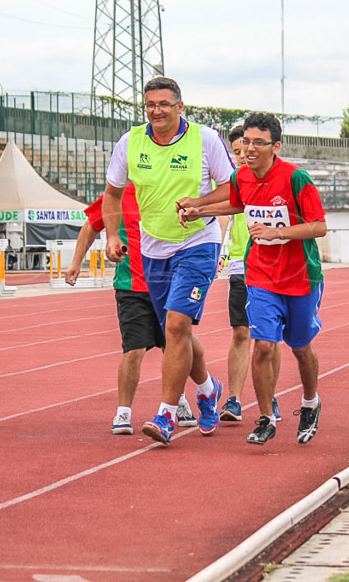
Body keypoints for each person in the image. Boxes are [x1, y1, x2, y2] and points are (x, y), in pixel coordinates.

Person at [179, 112, 327, 446]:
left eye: (259, 143)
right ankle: (266, 417)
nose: (250, 148)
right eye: (246, 141)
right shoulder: (242, 176)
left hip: (300, 276)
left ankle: (310, 402)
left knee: (301, 348)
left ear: (275, 146)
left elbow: (319, 226)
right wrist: (197, 208)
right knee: (262, 346)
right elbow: (233, 203)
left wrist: (280, 232)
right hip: (259, 274)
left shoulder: (296, 178)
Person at [102, 76, 233, 445]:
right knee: (180, 332)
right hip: (152, 248)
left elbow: (231, 188)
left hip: (198, 242)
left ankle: (166, 414)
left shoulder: (205, 140)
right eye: (150, 105)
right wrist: (112, 236)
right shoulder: (130, 142)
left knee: (175, 326)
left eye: (163, 104)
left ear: (180, 106)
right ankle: (208, 389)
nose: (156, 110)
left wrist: (199, 206)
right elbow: (111, 195)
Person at [62, 183, 198, 434]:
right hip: (131, 286)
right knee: (134, 349)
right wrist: (75, 263)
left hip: (168, 285)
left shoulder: (170, 190)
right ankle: (123, 412)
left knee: (174, 348)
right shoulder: (117, 196)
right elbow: (91, 225)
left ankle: (177, 401)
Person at [218, 125, 282, 425]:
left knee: (270, 337)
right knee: (241, 332)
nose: (244, 154)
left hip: (272, 266)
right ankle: (234, 399)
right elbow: (223, 215)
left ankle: (269, 397)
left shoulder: (276, 180)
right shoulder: (236, 182)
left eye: (249, 148)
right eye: (238, 150)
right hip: (239, 266)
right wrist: (217, 252)